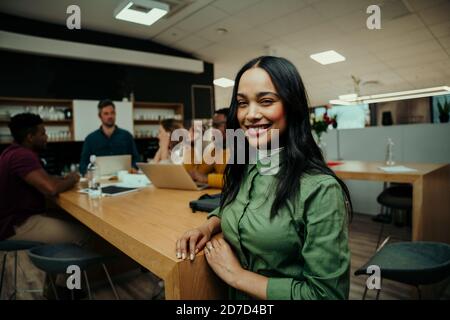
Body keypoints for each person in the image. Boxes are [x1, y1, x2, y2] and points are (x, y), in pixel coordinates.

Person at [176, 56, 352, 300]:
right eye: (242, 103)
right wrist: (207, 226)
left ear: (292, 106)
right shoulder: (246, 166)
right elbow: (233, 207)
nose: (250, 114)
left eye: (266, 101)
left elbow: (327, 296)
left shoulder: (320, 189)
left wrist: (237, 276)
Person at [0, 113, 89, 245]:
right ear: (30, 137)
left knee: (78, 220)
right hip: (17, 224)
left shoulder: (11, 152)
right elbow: (51, 188)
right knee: (86, 234)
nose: (46, 137)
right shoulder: (23, 156)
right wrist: (73, 178)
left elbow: (43, 179)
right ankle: (79, 266)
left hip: (17, 219)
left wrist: (59, 179)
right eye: (42, 134)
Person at [79, 99, 140, 175]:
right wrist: (87, 173)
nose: (110, 116)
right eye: (106, 113)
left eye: (112, 113)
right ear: (100, 116)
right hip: (100, 181)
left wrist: (134, 168)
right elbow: (83, 164)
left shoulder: (127, 136)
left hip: (124, 180)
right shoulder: (90, 139)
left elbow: (136, 158)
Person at [186, 108, 230, 189]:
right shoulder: (216, 150)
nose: (212, 130)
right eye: (212, 126)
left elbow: (237, 181)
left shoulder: (243, 150)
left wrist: (207, 179)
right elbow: (195, 173)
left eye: (216, 126)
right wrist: (191, 144)